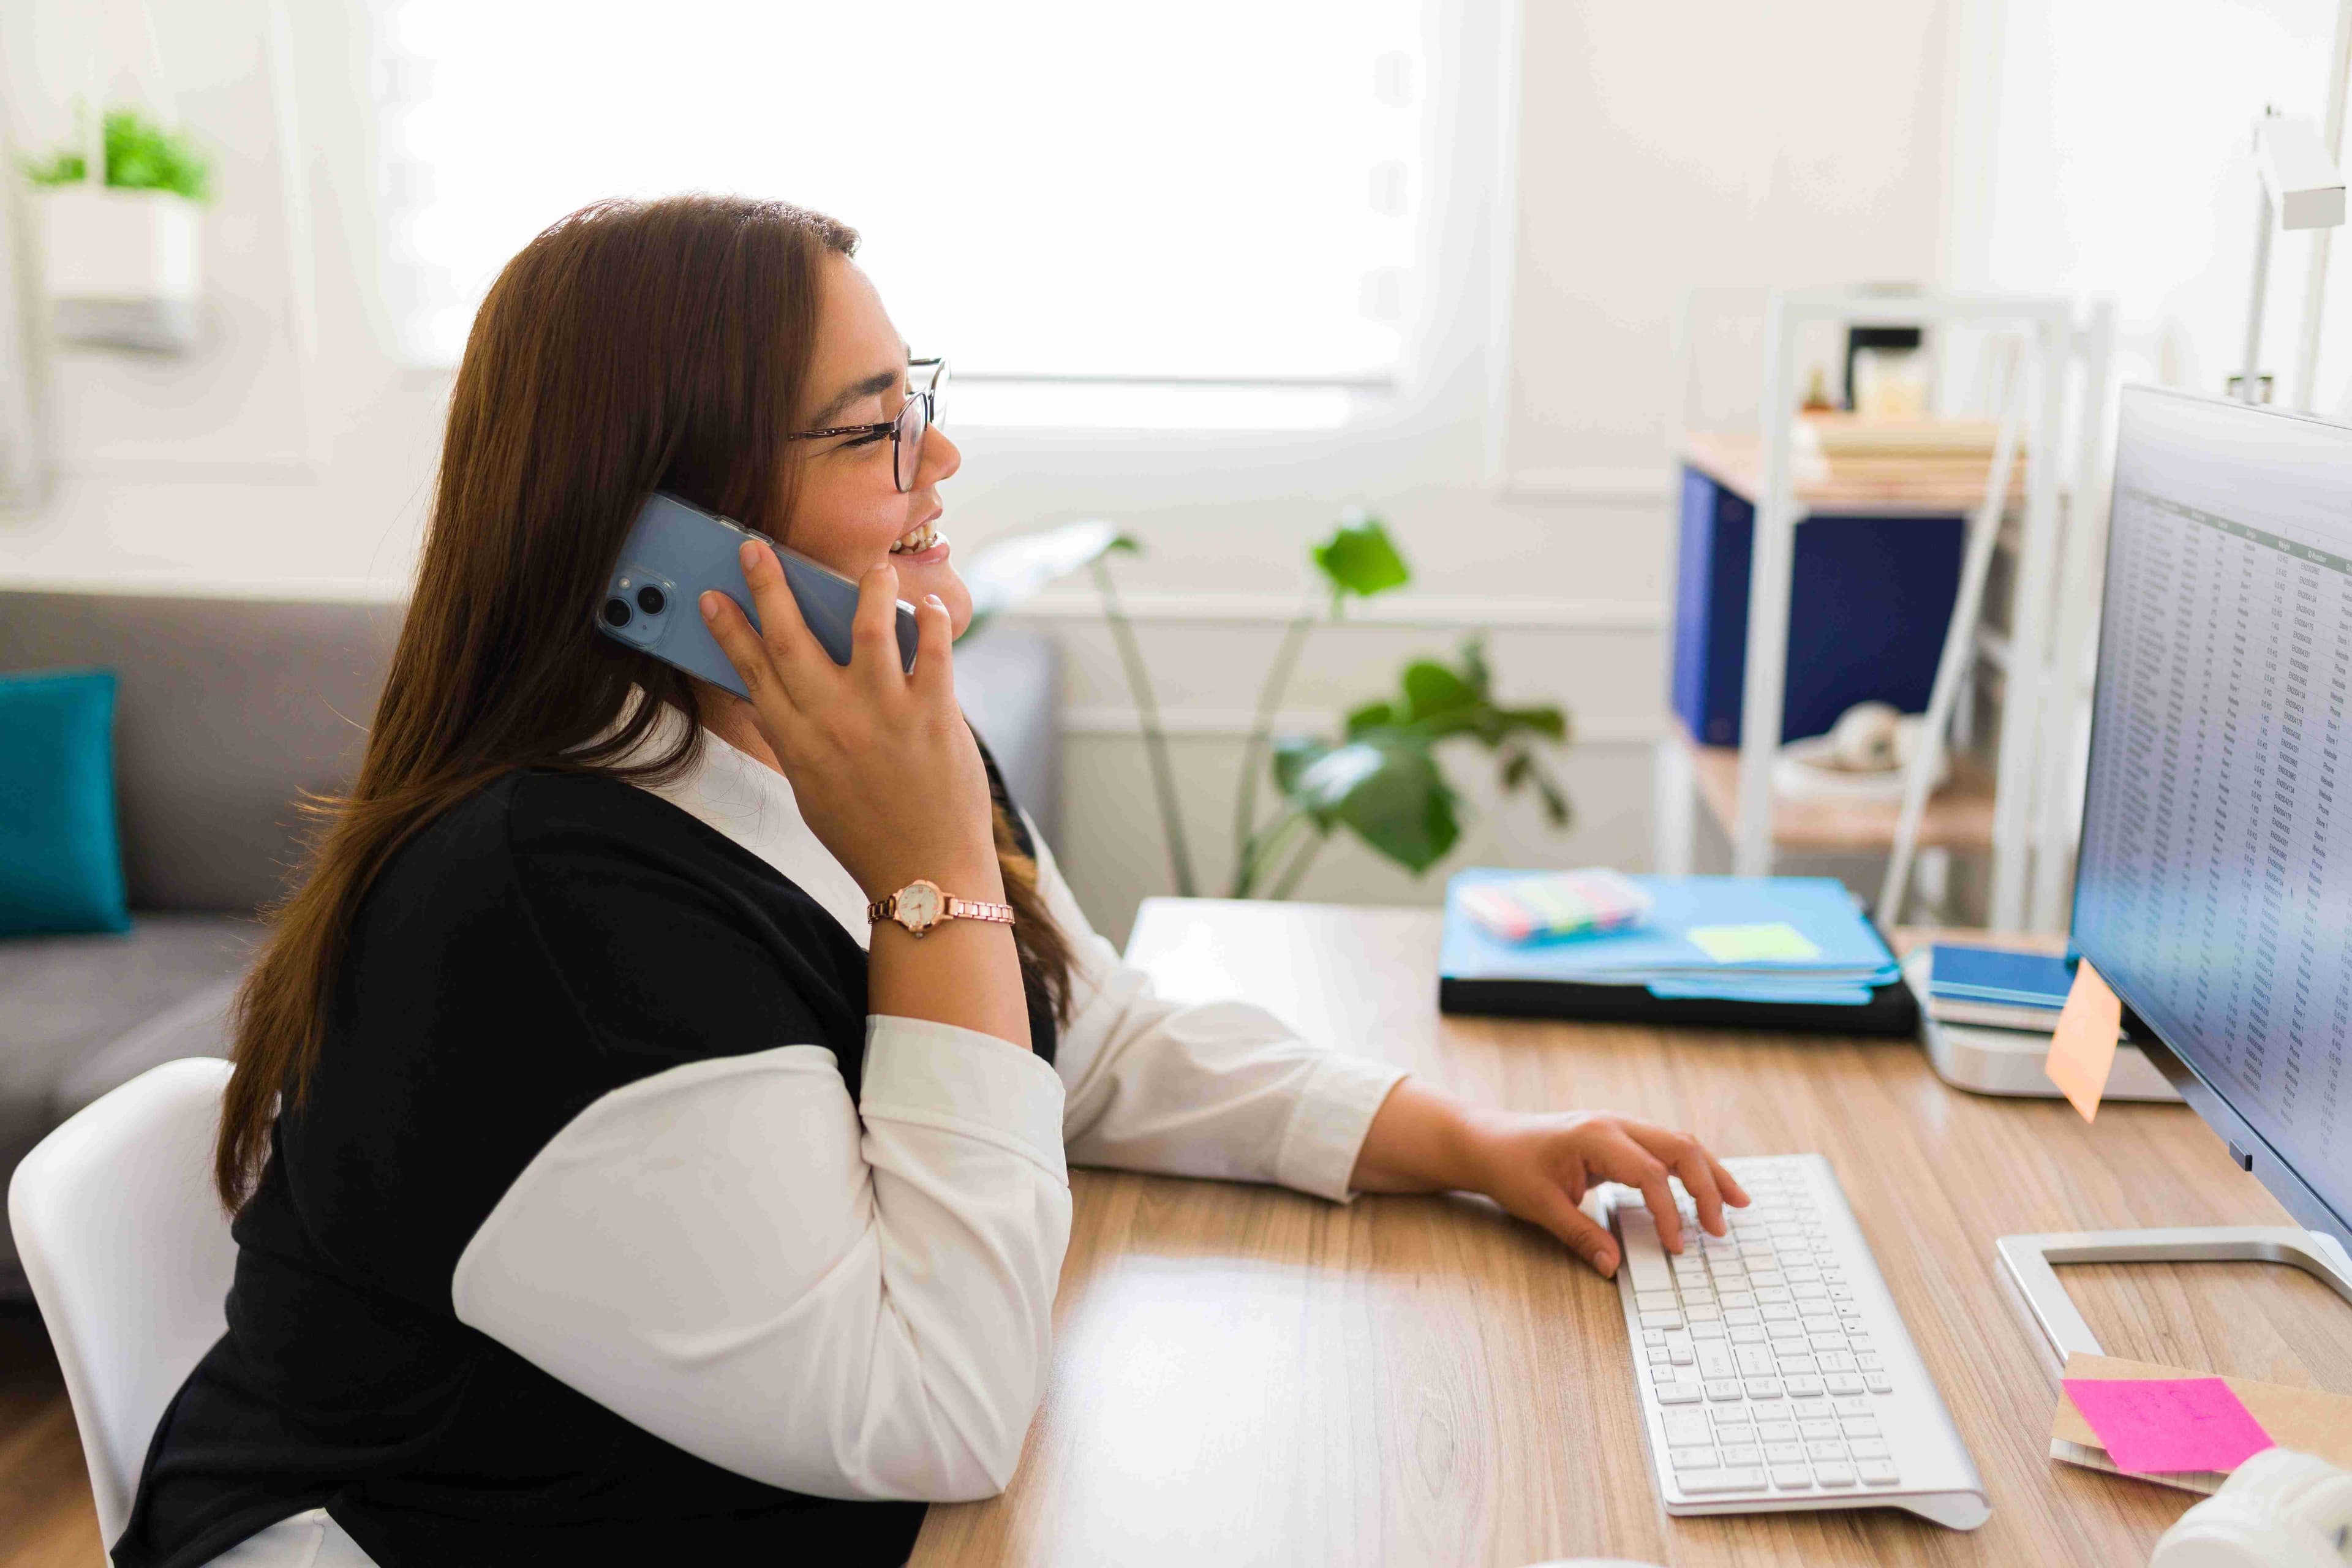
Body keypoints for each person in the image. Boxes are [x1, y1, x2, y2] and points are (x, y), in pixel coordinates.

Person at [115, 196, 1747, 1568]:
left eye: (922, 396)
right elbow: (936, 1413)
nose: (943, 454)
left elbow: (1085, 1045)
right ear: (664, 527)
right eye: (873, 427)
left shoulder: (841, 744)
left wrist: (1461, 1142)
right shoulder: (540, 905)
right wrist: (933, 876)